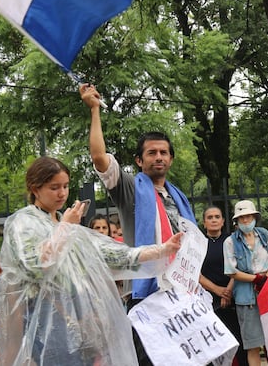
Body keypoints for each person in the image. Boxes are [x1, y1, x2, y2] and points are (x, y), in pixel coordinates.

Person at [0, 156, 183, 365]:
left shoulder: (64, 222)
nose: (62, 193)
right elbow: (35, 266)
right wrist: (65, 227)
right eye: (54, 187)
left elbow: (110, 254)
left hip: (76, 319)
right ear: (35, 188)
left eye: (66, 186)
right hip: (44, 319)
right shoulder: (24, 222)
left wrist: (161, 250)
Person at [81, 83, 196, 365]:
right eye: (152, 153)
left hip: (181, 292)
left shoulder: (180, 198)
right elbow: (98, 158)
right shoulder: (130, 189)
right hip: (145, 294)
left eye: (163, 152)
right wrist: (95, 110)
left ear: (170, 158)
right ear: (139, 160)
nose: (158, 157)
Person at [224, 200, 268, 366]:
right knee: (252, 345)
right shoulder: (230, 242)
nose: (245, 220)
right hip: (246, 298)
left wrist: (266, 278)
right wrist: (256, 279)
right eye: (241, 218)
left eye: (248, 216)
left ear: (254, 217)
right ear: (236, 221)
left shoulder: (265, 235)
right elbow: (231, 271)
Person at [199, 205, 249, 366]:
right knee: (211, 346)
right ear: (204, 223)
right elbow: (194, 273)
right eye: (210, 217)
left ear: (222, 221)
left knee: (239, 342)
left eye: (217, 217)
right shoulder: (198, 243)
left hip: (233, 296)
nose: (214, 220)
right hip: (207, 301)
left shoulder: (232, 240)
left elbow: (239, 266)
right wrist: (217, 291)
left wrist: (227, 291)